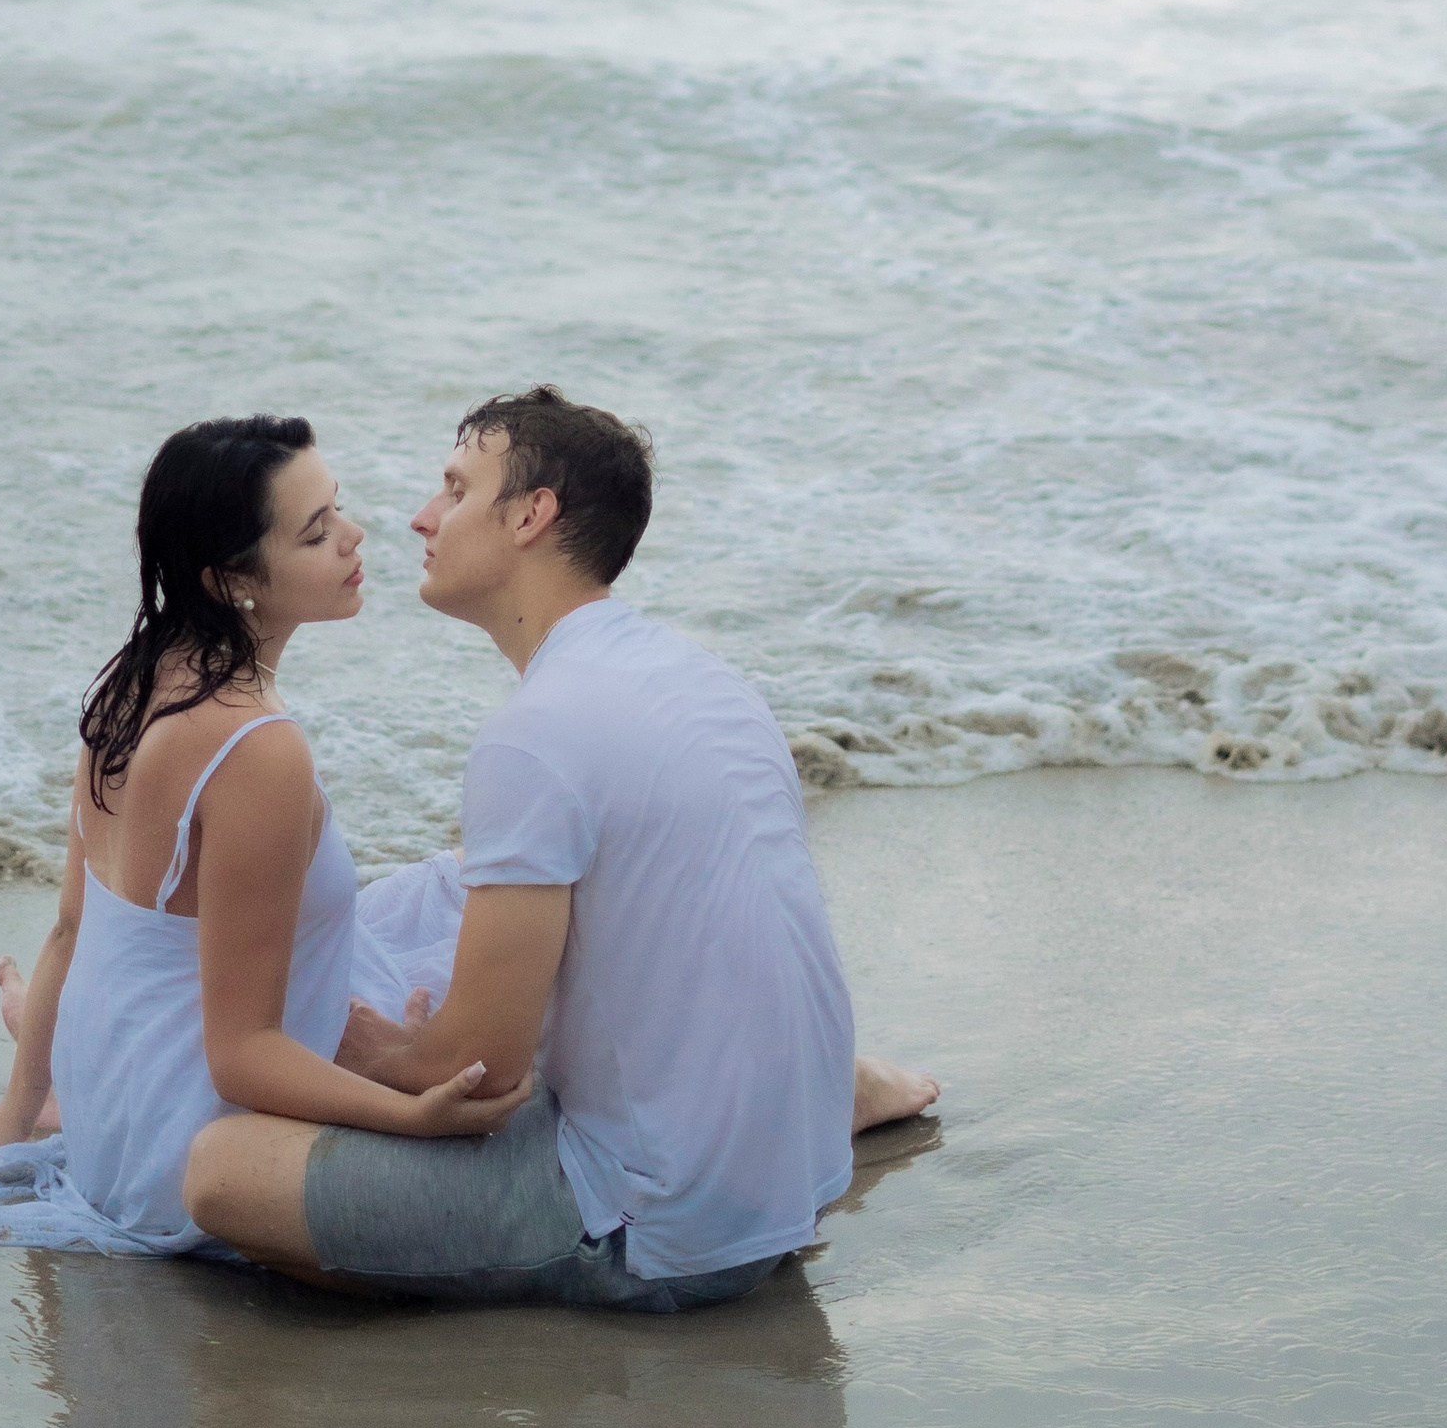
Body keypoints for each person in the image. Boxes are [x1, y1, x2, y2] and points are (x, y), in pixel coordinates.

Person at [183, 388, 934, 1313]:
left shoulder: (534, 735)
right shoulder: (704, 677)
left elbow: (483, 1074)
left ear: (532, 515)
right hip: (788, 1174)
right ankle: (840, 1092)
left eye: (454, 491)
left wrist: (374, 1056)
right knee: (442, 904)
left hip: (666, 1230)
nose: (419, 517)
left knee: (219, 1168)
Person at [0, 414, 525, 1255]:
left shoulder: (131, 684)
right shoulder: (255, 749)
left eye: (337, 510)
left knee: (448, 891)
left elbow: (71, 929)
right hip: (193, 1161)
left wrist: (13, 1114)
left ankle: (68, 1074)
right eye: (317, 535)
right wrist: (412, 1116)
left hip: (120, 1130)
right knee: (513, 982)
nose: (356, 538)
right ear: (230, 579)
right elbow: (242, 1058)